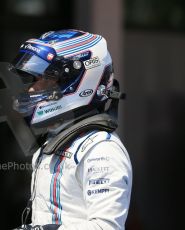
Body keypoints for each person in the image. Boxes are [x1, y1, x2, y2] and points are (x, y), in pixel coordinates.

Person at [10, 29, 132, 230]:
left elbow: (106, 227)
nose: (32, 89)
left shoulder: (100, 149)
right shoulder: (53, 142)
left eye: (47, 79)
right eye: (35, 80)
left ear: (80, 80)